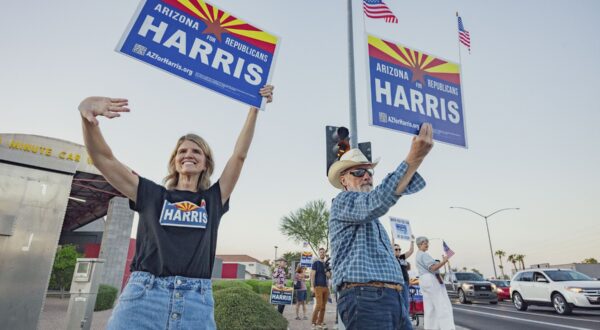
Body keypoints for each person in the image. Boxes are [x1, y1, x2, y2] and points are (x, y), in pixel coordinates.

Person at [78, 85, 274, 330]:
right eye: (182, 151)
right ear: (174, 161)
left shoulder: (214, 199)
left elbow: (239, 156)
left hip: (196, 302)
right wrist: (87, 117)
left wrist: (254, 109)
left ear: (206, 163)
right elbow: (103, 159)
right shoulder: (150, 194)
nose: (188, 154)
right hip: (144, 297)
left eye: (196, 151)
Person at [328, 123, 433, 330]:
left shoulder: (372, 217)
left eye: (369, 172)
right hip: (366, 298)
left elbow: (382, 197)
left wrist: (418, 157)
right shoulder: (342, 202)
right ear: (344, 181)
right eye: (358, 172)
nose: (366, 176)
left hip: (395, 298)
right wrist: (414, 157)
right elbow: (378, 199)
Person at [415, 236, 455, 330]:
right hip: (430, 279)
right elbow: (433, 268)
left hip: (423, 280)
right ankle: (447, 328)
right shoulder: (424, 255)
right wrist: (444, 261)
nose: (427, 245)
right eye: (425, 243)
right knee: (442, 305)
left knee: (430, 308)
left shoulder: (418, 255)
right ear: (420, 244)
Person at [393, 235, 416, 321]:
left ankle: (404, 319)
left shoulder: (402, 257)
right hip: (397, 282)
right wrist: (393, 237)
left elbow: (411, 251)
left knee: (406, 301)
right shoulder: (391, 258)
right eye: (396, 249)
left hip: (405, 282)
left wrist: (412, 241)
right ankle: (399, 319)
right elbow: (391, 247)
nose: (398, 250)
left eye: (399, 249)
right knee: (398, 301)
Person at [311, 247, 331, 330]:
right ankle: (313, 322)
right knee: (318, 305)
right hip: (318, 286)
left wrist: (327, 268)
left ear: (325, 253)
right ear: (319, 253)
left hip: (326, 287)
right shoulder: (316, 263)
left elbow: (329, 276)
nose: (322, 253)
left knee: (323, 306)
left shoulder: (327, 264)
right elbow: (312, 275)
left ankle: (320, 323)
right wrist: (312, 286)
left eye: (323, 252)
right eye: (321, 252)